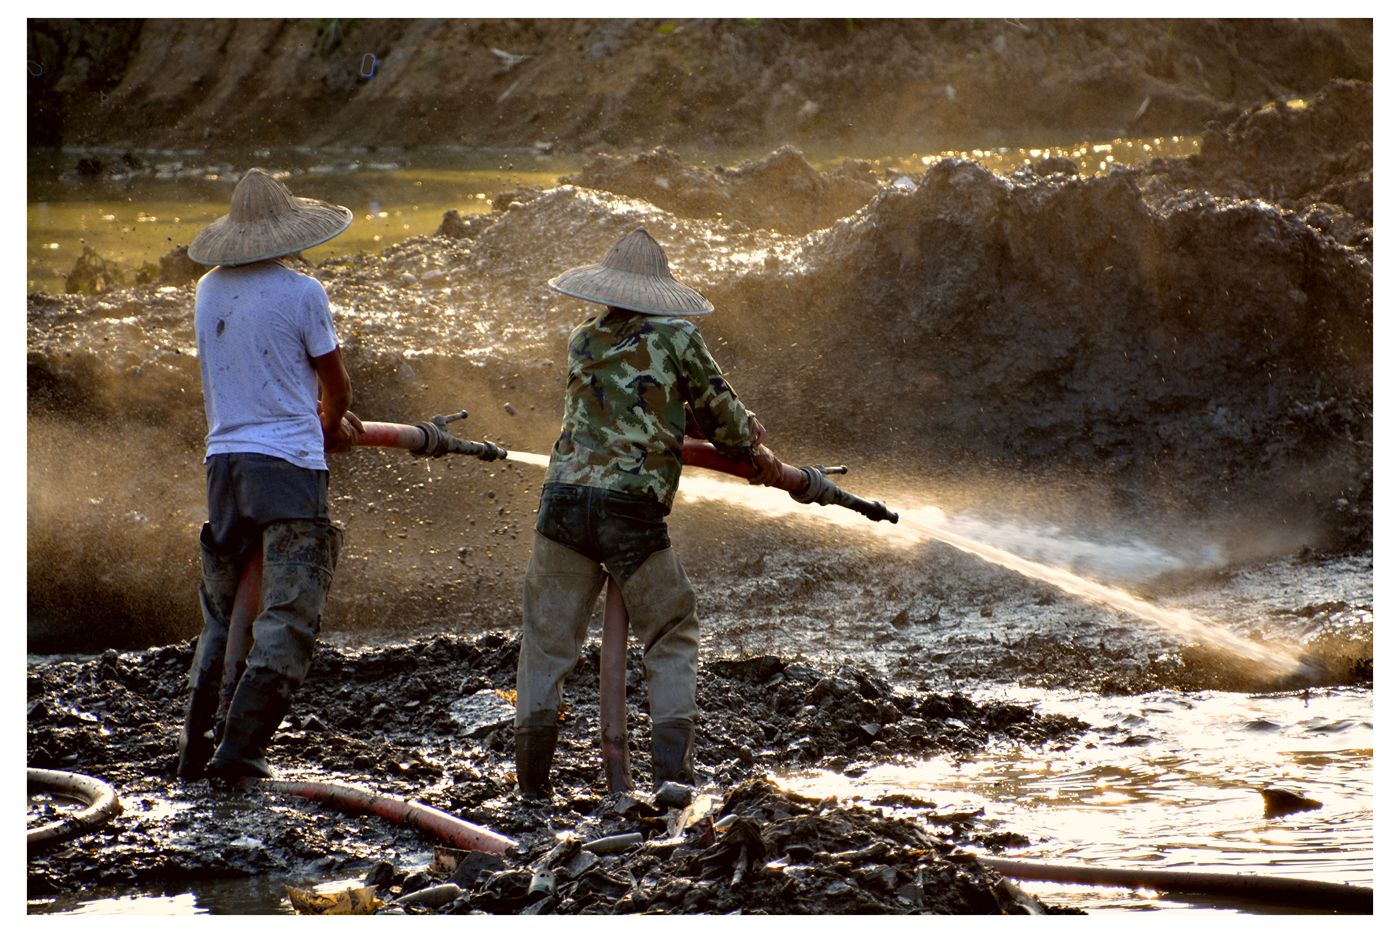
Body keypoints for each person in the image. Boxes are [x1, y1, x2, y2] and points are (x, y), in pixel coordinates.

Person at [515, 227, 782, 797]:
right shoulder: (678, 335)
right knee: (670, 626)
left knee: (546, 642)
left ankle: (532, 790)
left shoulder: (582, 337)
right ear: (659, 292)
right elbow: (725, 422)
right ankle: (672, 781)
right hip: (629, 511)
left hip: (562, 502)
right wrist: (749, 440)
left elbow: (626, 405)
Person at [177, 168, 361, 779]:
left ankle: (194, 749)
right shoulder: (303, 292)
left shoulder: (207, 288)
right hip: (287, 467)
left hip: (224, 466)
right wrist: (330, 425)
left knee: (223, 614)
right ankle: (242, 750)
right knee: (288, 613)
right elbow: (337, 386)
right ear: (288, 232)